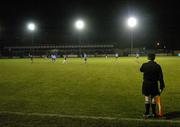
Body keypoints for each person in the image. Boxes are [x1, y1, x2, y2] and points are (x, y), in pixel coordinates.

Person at [140, 53, 165, 118]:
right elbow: (161, 77)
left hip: (146, 84)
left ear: (147, 58)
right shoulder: (157, 66)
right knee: (153, 98)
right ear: (154, 58)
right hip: (154, 84)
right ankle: (154, 113)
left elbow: (141, 70)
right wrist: (162, 86)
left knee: (147, 98)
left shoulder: (144, 65)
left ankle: (147, 113)